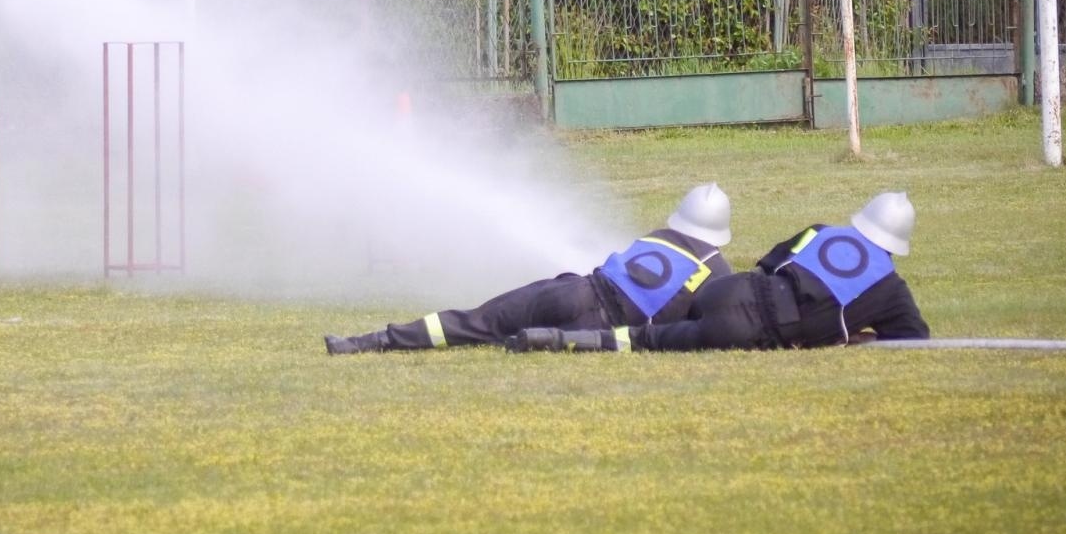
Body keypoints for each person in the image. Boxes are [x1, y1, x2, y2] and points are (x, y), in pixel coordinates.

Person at [324, 183, 735, 354]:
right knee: (540, 341)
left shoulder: (660, 234)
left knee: (476, 321)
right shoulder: (717, 272)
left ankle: (368, 341)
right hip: (600, 322)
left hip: (571, 288)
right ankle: (534, 340)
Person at [510, 191, 928, 354]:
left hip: (727, 290)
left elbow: (768, 265)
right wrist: (853, 334)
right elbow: (914, 340)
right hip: (740, 331)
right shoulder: (891, 289)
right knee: (643, 341)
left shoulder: (820, 232)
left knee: (662, 324)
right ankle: (553, 341)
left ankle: (553, 321)